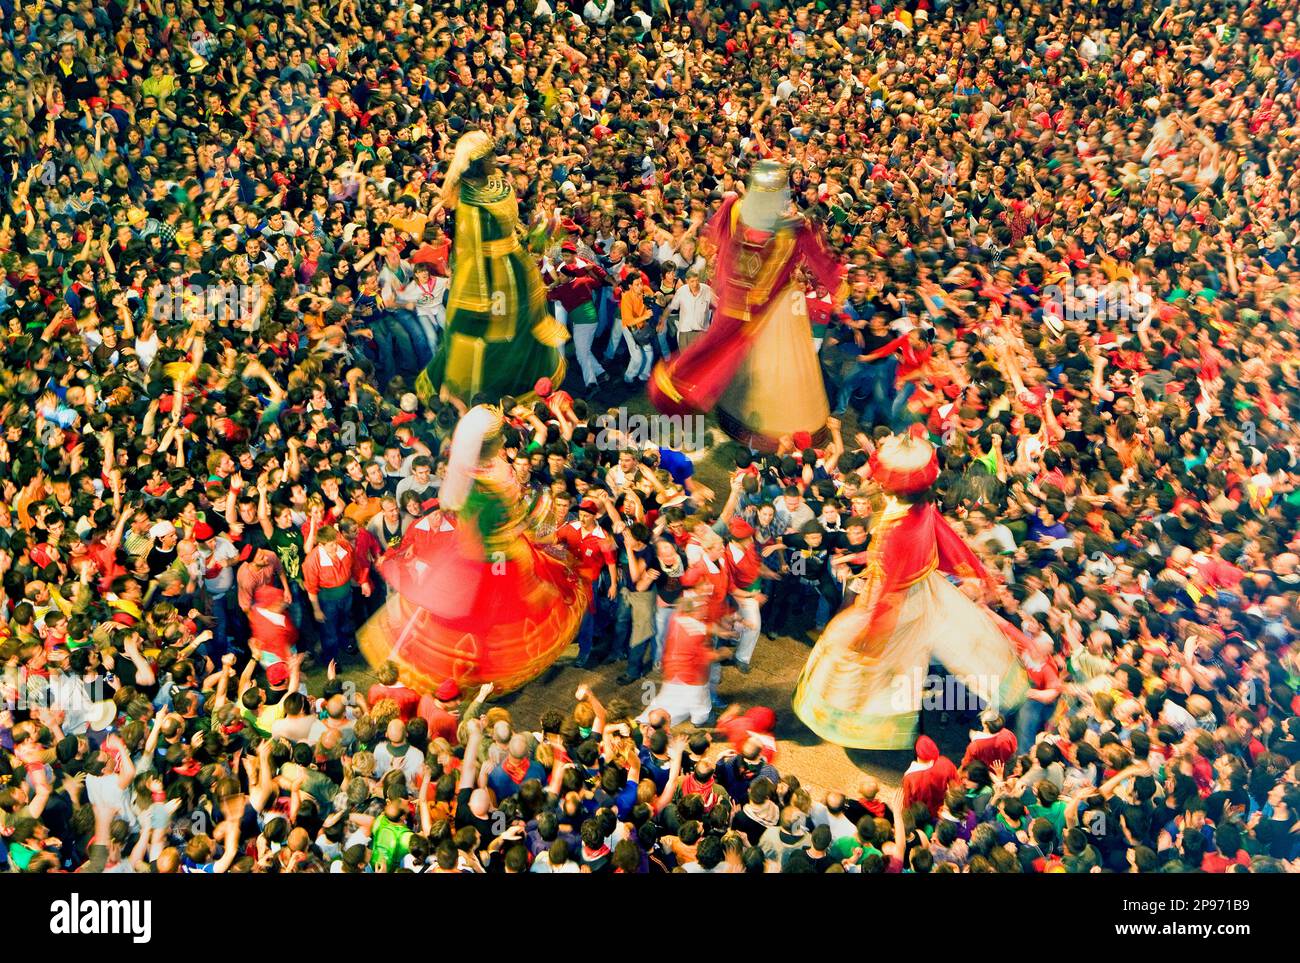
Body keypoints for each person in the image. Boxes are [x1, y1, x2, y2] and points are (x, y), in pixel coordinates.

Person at [359, 406, 589, 694]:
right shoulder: (489, 480)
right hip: (494, 554)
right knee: (498, 616)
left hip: (492, 551)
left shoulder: (480, 474)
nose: (505, 443)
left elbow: (475, 510)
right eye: (500, 440)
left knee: (481, 618)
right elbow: (493, 524)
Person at [649, 160, 843, 450]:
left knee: (722, 355)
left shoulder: (773, 223)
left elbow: (720, 244)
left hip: (764, 308)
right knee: (719, 354)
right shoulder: (751, 216)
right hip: (747, 306)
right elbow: (720, 246)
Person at [413, 131, 567, 406]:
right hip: (493, 275)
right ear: (475, 163)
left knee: (527, 322)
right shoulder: (471, 203)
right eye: (489, 157)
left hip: (516, 262)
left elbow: (512, 226)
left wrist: (534, 235)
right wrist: (481, 300)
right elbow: (471, 252)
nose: (495, 160)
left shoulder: (498, 183)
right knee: (500, 333)